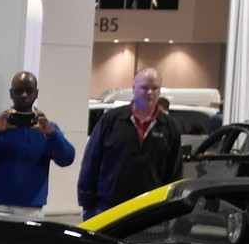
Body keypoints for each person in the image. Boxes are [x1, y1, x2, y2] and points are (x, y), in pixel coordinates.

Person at [0, 71, 74, 214]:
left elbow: (67, 159)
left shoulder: (47, 129)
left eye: (29, 90)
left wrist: (52, 134)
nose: (24, 95)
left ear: (36, 93)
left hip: (31, 209)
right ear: (11, 93)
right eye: (19, 91)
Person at [77, 68, 184, 216]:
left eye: (155, 88)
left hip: (149, 210)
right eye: (145, 87)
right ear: (133, 88)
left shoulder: (170, 127)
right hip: (108, 207)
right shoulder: (111, 120)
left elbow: (174, 172)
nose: (150, 92)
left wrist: (170, 208)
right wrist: (86, 202)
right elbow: (91, 161)